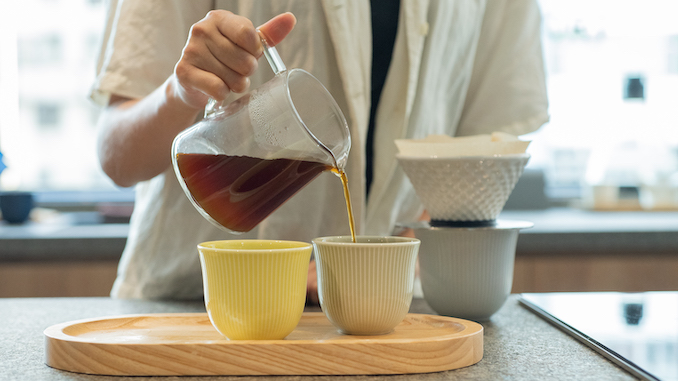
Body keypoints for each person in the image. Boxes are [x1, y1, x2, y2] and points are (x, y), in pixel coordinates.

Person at [91, 0, 549, 301]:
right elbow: (118, 156)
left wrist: (393, 256)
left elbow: (485, 145)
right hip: (192, 309)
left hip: (377, 314)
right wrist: (182, 91)